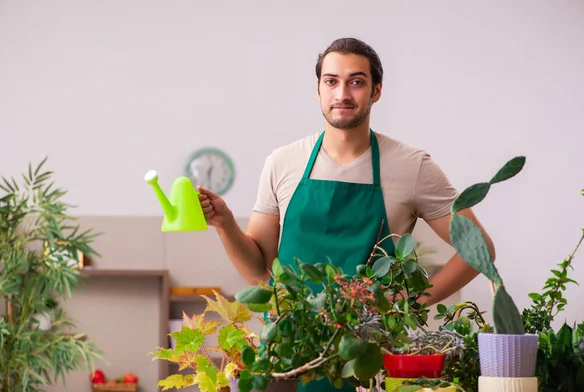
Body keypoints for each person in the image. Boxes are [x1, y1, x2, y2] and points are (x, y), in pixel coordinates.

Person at [197, 37, 495, 392]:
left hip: (367, 355)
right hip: (288, 353)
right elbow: (259, 274)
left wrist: (408, 302)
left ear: (376, 90)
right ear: (319, 89)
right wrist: (225, 223)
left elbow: (480, 250)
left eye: (356, 81)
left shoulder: (411, 166)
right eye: (331, 81)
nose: (342, 93)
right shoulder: (283, 162)